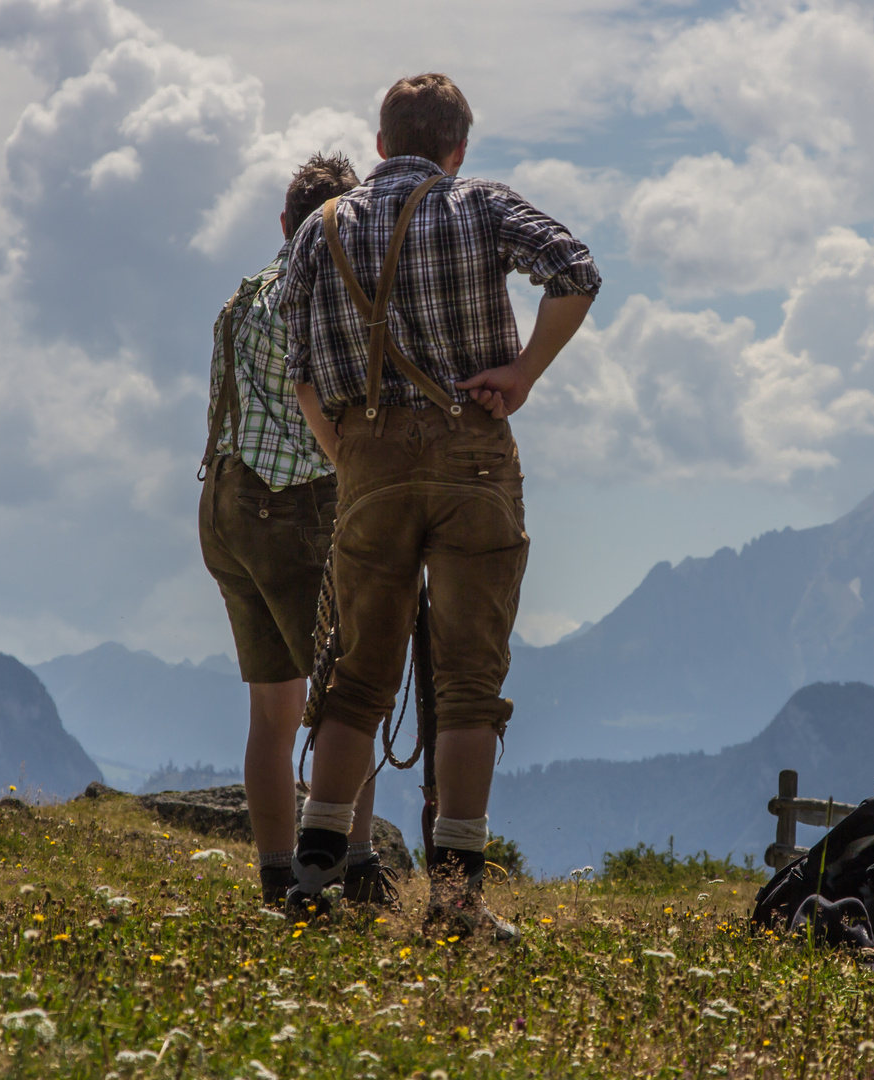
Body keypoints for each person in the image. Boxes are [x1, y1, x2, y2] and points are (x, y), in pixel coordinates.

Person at [278, 73, 600, 937]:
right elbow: (577, 269)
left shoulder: (320, 229)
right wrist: (523, 372)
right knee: (467, 685)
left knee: (356, 676)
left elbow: (298, 361)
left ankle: (313, 878)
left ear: (379, 144)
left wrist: (347, 452)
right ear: (458, 149)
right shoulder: (482, 205)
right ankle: (455, 904)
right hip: (473, 456)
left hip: (368, 461)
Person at [199, 153, 393, 907]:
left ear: (285, 222)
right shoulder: (326, 296)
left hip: (224, 503)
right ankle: (354, 864)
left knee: (272, 710)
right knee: (352, 690)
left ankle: (278, 870)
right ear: (346, 224)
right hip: (297, 509)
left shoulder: (241, 300)